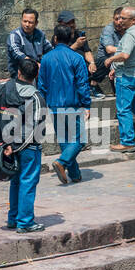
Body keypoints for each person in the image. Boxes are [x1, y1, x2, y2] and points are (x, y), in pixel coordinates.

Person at [0, 58, 48, 234]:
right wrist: (14, 147)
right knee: (27, 182)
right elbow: (34, 129)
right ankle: (25, 222)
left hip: (7, 146)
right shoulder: (36, 98)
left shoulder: (2, 89)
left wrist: (0, 142)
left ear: (18, 72)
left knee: (16, 182)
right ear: (36, 75)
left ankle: (13, 218)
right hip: (27, 149)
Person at [39, 23, 92, 186]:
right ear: (71, 38)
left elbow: (41, 85)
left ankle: (75, 174)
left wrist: (45, 103)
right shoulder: (76, 58)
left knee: (65, 139)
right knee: (80, 140)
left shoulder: (46, 59)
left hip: (54, 105)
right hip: (72, 104)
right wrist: (87, 105)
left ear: (55, 38)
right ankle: (62, 162)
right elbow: (82, 84)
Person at [104, 6, 135, 154]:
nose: (120, 21)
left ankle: (128, 142)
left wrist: (111, 59)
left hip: (127, 76)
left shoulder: (130, 35)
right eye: (120, 18)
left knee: (124, 109)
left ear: (133, 20)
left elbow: (125, 55)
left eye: (124, 18)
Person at [6, 8, 52, 79]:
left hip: (37, 74)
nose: (27, 25)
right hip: (20, 74)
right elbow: (17, 53)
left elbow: (50, 50)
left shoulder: (40, 34)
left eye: (30, 22)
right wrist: (36, 65)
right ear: (21, 20)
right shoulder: (15, 35)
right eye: (25, 21)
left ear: (36, 23)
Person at [53, 11, 98, 78]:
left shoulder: (79, 34)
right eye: (68, 23)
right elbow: (60, 56)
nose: (71, 25)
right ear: (61, 24)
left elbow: (87, 51)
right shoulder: (58, 37)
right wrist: (76, 45)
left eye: (73, 22)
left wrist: (92, 63)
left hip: (83, 64)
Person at [95, 6, 126, 97]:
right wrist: (128, 49)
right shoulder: (108, 29)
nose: (118, 22)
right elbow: (109, 49)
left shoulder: (128, 29)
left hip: (122, 57)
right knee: (111, 61)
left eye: (121, 19)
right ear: (113, 19)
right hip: (106, 58)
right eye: (116, 19)